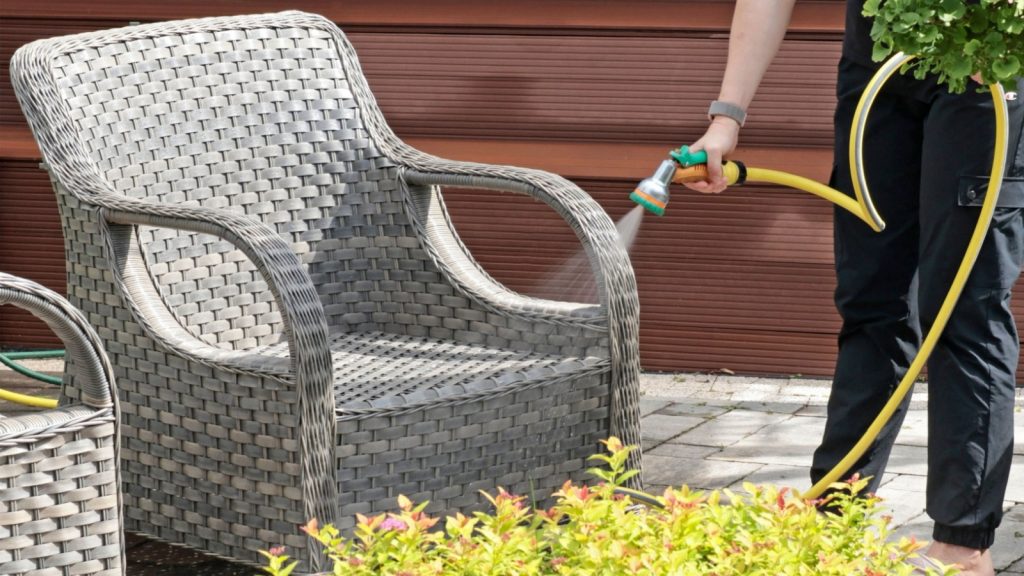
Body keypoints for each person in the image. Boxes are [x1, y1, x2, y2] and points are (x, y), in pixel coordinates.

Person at [684, 1, 1024, 574]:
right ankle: (834, 518)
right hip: (876, 77)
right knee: (873, 303)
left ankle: (962, 546)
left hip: (984, 70)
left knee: (965, 306)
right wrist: (727, 116)